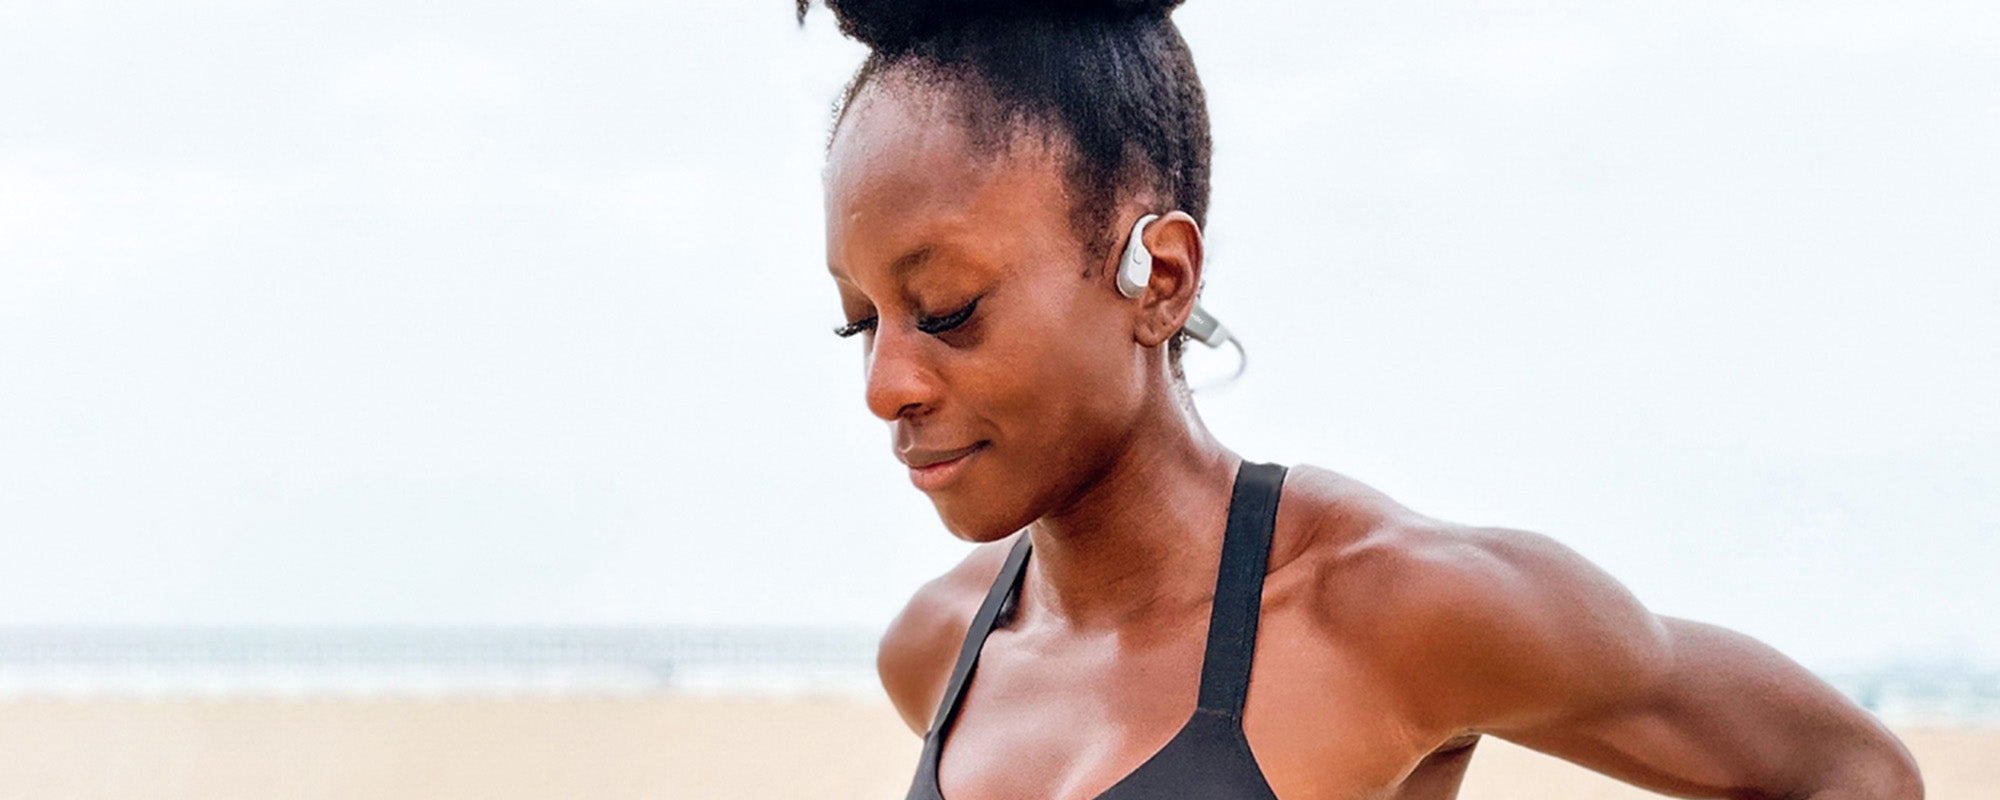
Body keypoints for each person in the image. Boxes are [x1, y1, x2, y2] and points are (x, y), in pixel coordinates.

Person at [799, 1, 1924, 798]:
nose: (886, 383)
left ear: (1160, 277)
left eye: (944, 308)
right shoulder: (939, 648)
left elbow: (1851, 772)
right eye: (862, 320)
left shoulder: (1385, 609)